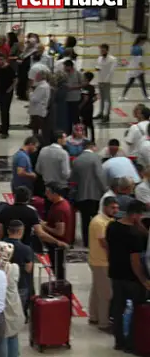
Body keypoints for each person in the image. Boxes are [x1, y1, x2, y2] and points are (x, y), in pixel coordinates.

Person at [106, 199, 150, 352]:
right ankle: (132, 342)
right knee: (137, 310)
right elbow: (135, 261)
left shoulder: (112, 226)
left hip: (115, 273)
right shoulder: (135, 235)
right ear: (135, 215)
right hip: (132, 278)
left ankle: (119, 341)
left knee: (118, 309)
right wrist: (144, 280)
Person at [88, 196, 118, 333]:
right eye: (113, 207)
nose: (115, 210)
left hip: (97, 260)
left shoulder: (108, 220)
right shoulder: (99, 222)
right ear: (105, 207)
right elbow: (104, 242)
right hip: (101, 261)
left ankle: (94, 316)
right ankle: (104, 323)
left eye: (117, 207)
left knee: (97, 291)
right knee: (106, 293)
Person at [71, 140, 107, 247]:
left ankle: (86, 242)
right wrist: (105, 190)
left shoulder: (76, 160)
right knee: (96, 219)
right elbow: (100, 175)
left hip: (81, 195)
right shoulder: (95, 158)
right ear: (93, 147)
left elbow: (73, 178)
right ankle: (96, 240)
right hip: (95, 194)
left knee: (85, 220)